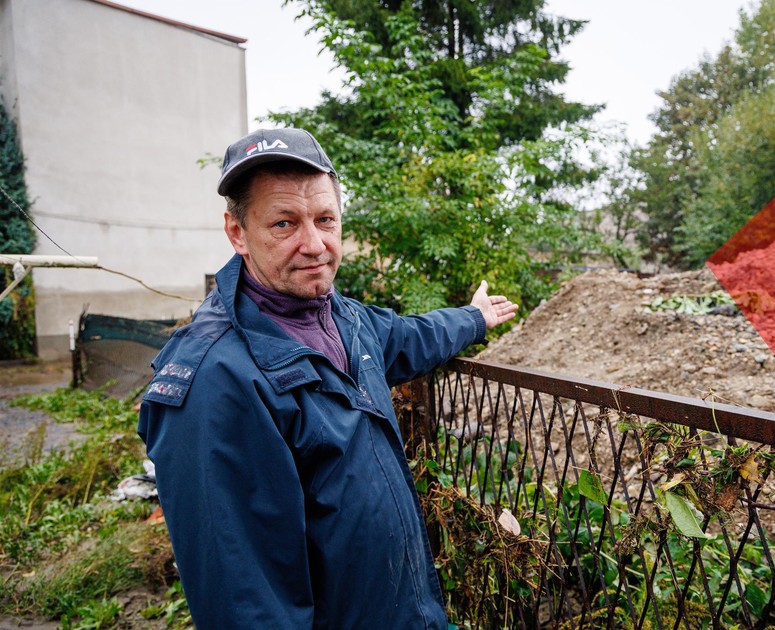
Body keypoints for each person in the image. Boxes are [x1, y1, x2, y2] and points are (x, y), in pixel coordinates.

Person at [137, 127, 517, 628]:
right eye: (284, 223)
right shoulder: (215, 381)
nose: (314, 244)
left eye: (325, 220)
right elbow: (246, 604)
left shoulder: (343, 319)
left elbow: (409, 337)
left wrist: (473, 318)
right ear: (237, 232)